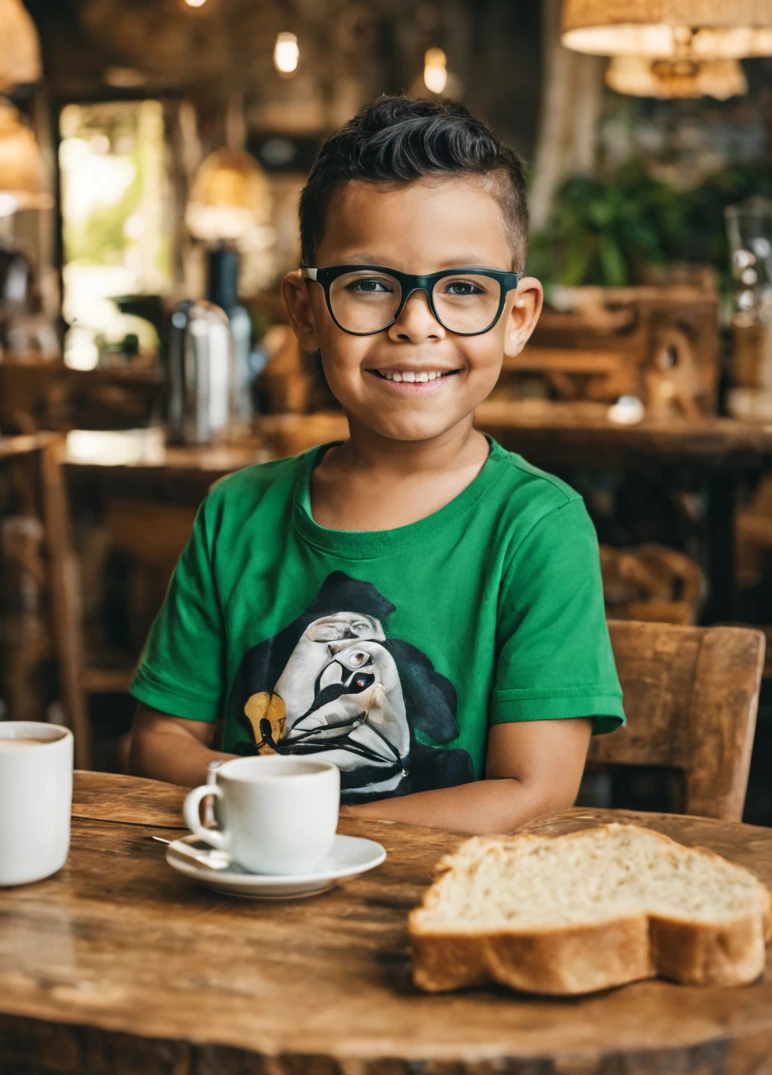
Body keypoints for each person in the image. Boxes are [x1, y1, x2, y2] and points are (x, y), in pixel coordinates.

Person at [129, 95, 624, 834]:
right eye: (367, 283)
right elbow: (157, 740)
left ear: (517, 317)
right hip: (242, 909)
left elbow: (535, 789)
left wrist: (303, 823)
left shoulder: (537, 529)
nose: (415, 323)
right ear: (304, 310)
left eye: (462, 288)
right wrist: (293, 819)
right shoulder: (235, 514)